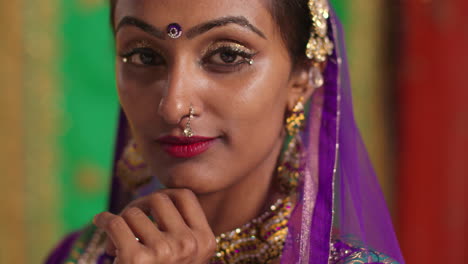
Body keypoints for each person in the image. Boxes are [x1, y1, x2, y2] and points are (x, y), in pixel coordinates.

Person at [46, 0, 405, 263]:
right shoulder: (82, 255)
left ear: (302, 76)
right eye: (144, 56)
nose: (173, 106)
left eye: (228, 56)